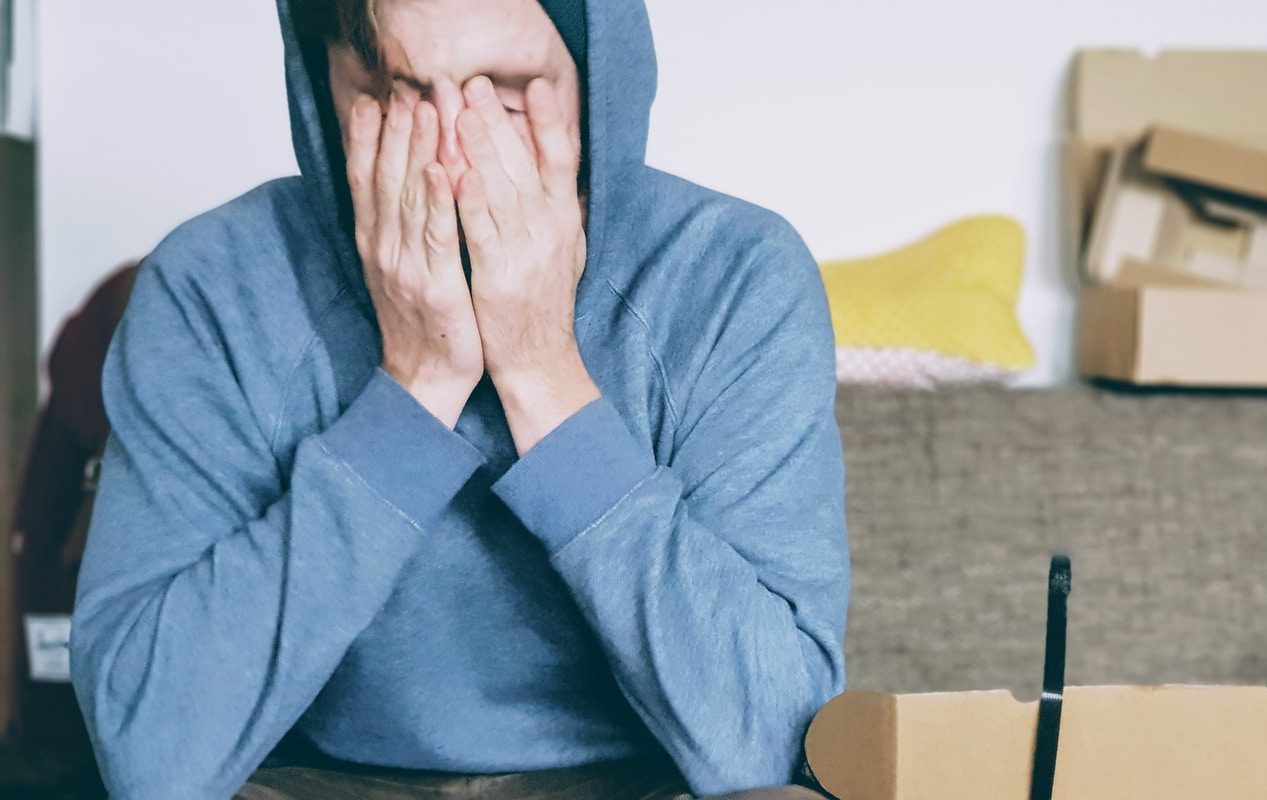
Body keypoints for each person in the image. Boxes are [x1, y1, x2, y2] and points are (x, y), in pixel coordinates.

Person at [67, 1, 849, 798]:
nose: (449, 158)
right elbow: (151, 756)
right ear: (323, 88)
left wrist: (541, 371)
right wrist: (417, 386)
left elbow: (773, 743)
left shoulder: (735, 273)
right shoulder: (212, 280)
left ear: (596, 85)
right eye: (396, 97)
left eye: (505, 99)